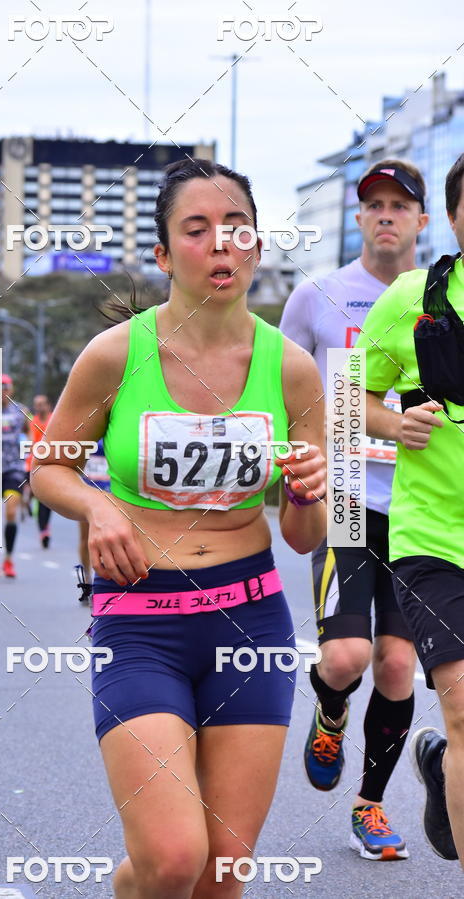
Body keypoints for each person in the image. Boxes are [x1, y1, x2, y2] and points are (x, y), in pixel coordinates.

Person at [33, 159, 327, 898]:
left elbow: (305, 533)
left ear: (257, 246)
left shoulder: (293, 372)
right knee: (170, 857)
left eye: (236, 229)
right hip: (141, 621)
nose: (220, 246)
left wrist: (305, 492)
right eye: (197, 231)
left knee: (221, 873)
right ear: (164, 254)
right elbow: (48, 468)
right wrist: (100, 506)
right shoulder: (115, 356)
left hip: (250, 618)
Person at [280, 160, 429, 860]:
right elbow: (281, 384)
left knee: (397, 668)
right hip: (344, 498)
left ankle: (369, 806)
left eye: (401, 204)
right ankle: (330, 705)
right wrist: (290, 458)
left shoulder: (444, 299)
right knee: (347, 656)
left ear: (422, 221)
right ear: (359, 217)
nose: (387, 215)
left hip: (420, 507)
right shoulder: (318, 296)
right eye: (375, 204)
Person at [354, 152, 464, 863]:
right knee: (463, 706)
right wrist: (394, 423)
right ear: (453, 216)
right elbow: (347, 399)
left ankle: (441, 770)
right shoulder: (410, 296)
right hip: (431, 538)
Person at [0, 374, 29, 579]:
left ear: (11, 390)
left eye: (5, 388)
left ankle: (9, 559)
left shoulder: (21, 411)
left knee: (11, 511)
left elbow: (31, 434)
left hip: (14, 468)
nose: (2, 392)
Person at [76, 438, 111, 602]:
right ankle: (87, 579)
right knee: (85, 538)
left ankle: (103, 581)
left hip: (109, 489)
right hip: (86, 489)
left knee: (106, 538)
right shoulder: (84, 429)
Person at [27, 394, 53, 548]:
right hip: (34, 462)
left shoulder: (54, 419)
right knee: (36, 494)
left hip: (50, 463)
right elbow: (31, 442)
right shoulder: (33, 422)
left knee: (46, 498)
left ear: (48, 405)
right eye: (37, 404)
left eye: (42, 404)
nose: (40, 407)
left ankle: (44, 530)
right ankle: (28, 501)